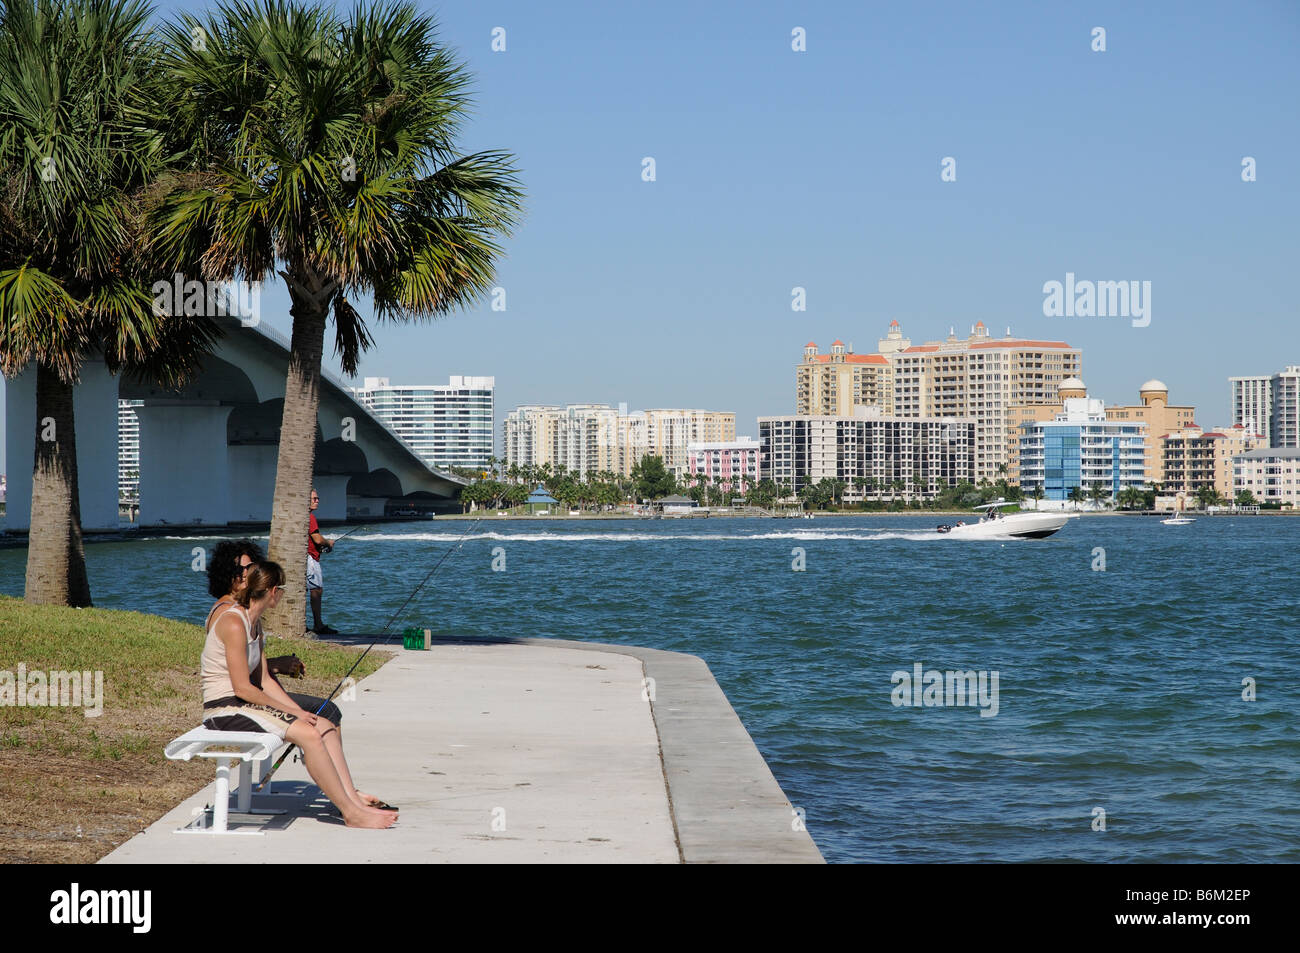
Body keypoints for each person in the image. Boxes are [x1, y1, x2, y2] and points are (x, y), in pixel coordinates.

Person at [200, 561, 396, 829]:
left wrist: (299, 711)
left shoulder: (254, 624)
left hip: (244, 706)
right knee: (308, 734)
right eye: (280, 589)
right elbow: (242, 689)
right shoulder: (235, 623)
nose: (281, 595)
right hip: (225, 710)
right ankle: (350, 813)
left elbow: (265, 679)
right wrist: (296, 715)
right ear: (271, 591)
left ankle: (353, 800)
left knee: (323, 724)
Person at [205, 539, 340, 726]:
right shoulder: (228, 614)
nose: (246, 574)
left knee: (325, 712)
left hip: (256, 692)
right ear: (226, 574)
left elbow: (245, 664)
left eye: (251, 568)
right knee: (326, 711)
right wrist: (276, 664)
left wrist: (275, 665)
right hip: (238, 701)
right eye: (241, 569)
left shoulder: (247, 612)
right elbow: (234, 672)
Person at [307, 488, 337, 635]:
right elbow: (317, 539)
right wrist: (328, 543)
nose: (317, 500)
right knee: (316, 590)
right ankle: (318, 624)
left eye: (317, 498)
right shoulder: (310, 517)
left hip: (309, 557)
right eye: (314, 498)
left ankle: (314, 623)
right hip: (310, 560)